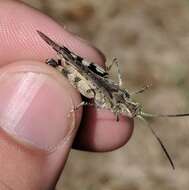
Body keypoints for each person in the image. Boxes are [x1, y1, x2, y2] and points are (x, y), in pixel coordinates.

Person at [0, 1, 133, 189]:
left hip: (94, 85)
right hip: (91, 80)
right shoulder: (118, 101)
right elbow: (108, 87)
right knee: (95, 81)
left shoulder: (120, 104)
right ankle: (59, 62)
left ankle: (58, 64)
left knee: (92, 87)